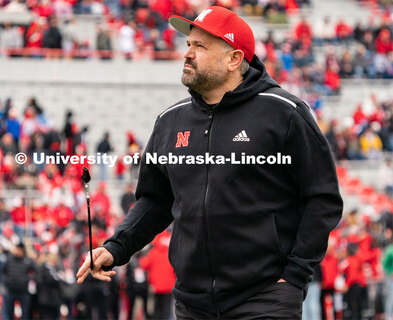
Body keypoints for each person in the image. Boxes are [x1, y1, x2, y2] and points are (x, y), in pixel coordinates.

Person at [77, 6, 343, 319]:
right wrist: (114, 247)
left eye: (200, 46)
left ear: (234, 59)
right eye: (188, 44)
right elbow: (155, 201)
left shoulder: (284, 113)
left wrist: (294, 276)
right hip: (192, 304)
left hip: (265, 299)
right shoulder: (169, 122)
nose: (187, 53)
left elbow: (323, 199)